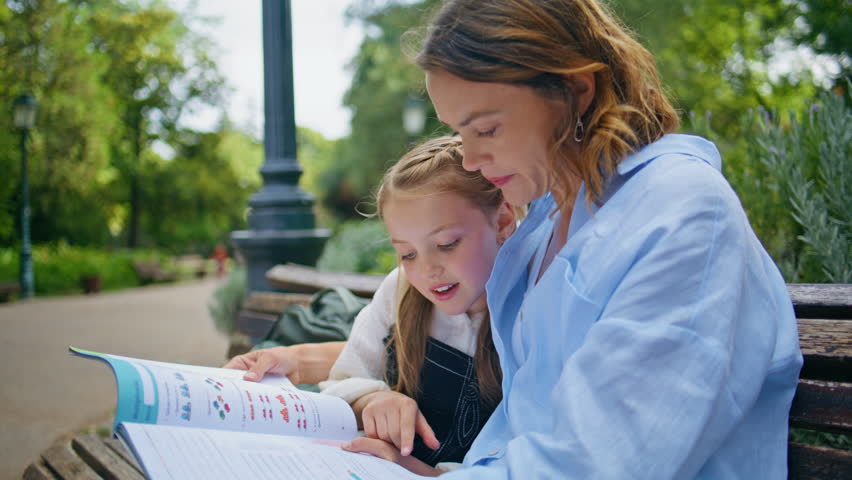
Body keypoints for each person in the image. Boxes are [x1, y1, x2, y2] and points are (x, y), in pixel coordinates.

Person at [338, 0, 803, 478]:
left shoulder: (682, 212)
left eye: (487, 129)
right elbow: (529, 430)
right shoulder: (548, 224)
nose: (471, 158)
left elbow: (606, 460)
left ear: (575, 91)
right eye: (460, 132)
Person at [226, 136, 517, 473]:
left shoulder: (528, 312)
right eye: (407, 253)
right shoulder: (402, 290)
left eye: (447, 243)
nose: (425, 269)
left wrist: (430, 474)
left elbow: (533, 451)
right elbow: (345, 377)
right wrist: (372, 398)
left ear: (503, 222)